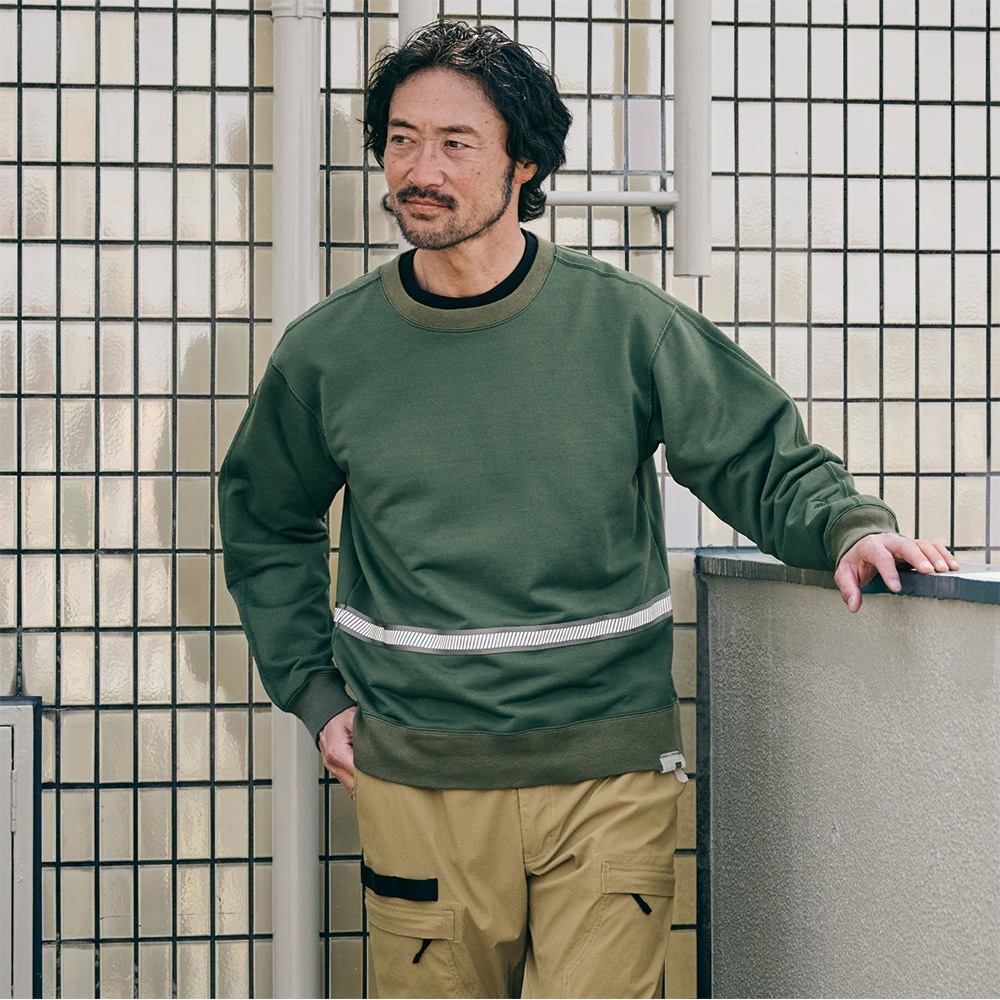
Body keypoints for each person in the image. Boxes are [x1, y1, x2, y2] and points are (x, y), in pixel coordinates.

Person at [218, 20, 958, 999]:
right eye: (400, 139)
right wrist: (315, 693)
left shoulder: (621, 323)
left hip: (610, 773)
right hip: (420, 778)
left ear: (524, 163)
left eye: (454, 143)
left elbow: (755, 454)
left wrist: (848, 527)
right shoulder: (328, 352)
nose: (419, 170)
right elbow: (265, 520)